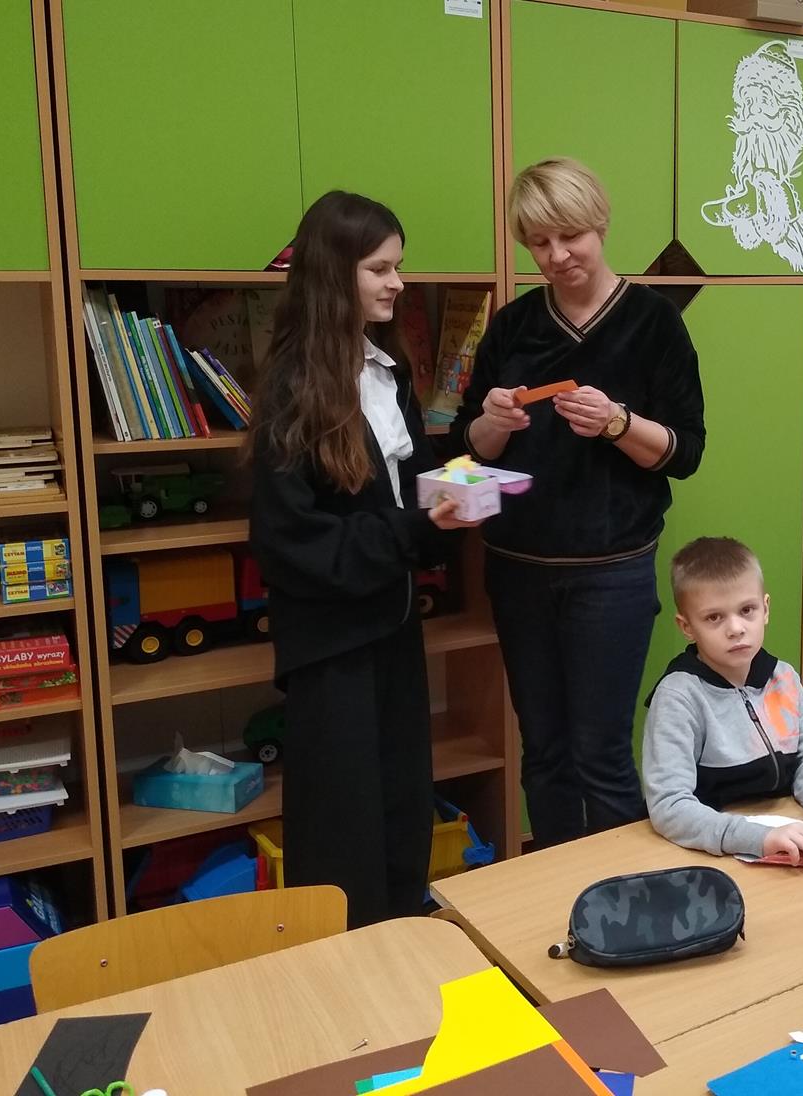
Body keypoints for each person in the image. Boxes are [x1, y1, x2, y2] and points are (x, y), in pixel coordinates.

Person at [448, 158, 706, 848]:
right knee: (544, 754)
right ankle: (557, 888)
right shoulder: (513, 326)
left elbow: (686, 452)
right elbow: (468, 450)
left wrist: (619, 423)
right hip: (517, 569)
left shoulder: (653, 323)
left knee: (602, 755)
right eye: (539, 243)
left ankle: (621, 896)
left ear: (600, 225)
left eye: (570, 236)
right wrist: (492, 424)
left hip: (611, 573)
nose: (557, 255)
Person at [249, 191, 478, 926]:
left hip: (393, 625)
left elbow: (411, 490)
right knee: (342, 831)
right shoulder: (292, 390)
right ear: (333, 273)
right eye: (380, 269)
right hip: (332, 646)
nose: (397, 283)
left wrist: (462, 492)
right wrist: (414, 527)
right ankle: (349, 970)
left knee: (403, 806)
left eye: (397, 267)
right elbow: (295, 546)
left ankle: (404, 947)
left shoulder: (386, 371)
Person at [641, 537, 803, 872]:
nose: (736, 629)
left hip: (789, 838)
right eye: (714, 617)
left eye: (746, 610)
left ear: (765, 609)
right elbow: (669, 806)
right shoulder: (678, 697)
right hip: (709, 857)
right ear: (687, 627)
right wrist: (758, 838)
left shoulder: (783, 677)